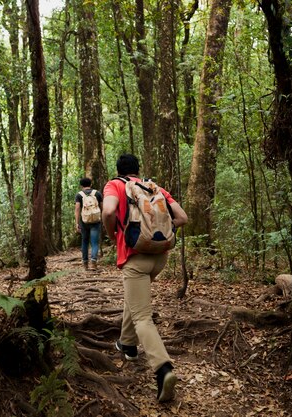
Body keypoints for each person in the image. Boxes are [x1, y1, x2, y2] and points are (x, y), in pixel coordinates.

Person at [102, 154, 188, 402]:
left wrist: (113, 234)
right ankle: (127, 345)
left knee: (142, 316)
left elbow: (108, 211)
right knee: (135, 299)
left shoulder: (115, 185)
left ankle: (163, 368)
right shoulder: (154, 187)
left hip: (135, 257)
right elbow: (182, 218)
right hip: (159, 257)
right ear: (138, 170)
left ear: (118, 170)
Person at [75, 177, 103, 271]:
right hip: (96, 221)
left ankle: (85, 264)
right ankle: (94, 262)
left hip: (84, 221)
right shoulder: (97, 193)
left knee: (85, 242)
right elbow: (102, 207)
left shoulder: (79, 195)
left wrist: (76, 222)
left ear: (81, 185)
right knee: (95, 242)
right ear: (90, 184)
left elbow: (77, 209)